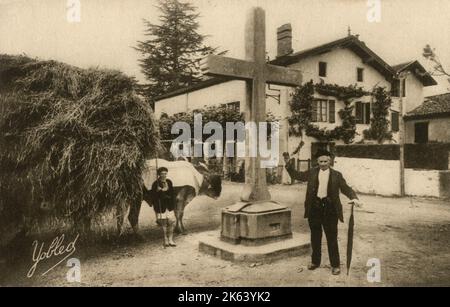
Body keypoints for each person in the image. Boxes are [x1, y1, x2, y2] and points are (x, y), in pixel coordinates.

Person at [284, 146, 362, 275]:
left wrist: (354, 197)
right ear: (317, 162)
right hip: (314, 208)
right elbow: (297, 175)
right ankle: (315, 262)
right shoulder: (312, 172)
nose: (323, 164)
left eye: (326, 161)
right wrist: (288, 164)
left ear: (330, 161)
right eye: (321, 162)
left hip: (330, 209)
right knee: (315, 236)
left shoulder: (337, 175)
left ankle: (335, 265)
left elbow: (346, 188)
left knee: (331, 237)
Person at [151, 167, 176, 247]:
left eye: (165, 173)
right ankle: (165, 239)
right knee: (164, 224)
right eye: (162, 174)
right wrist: (157, 192)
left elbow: (172, 194)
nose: (164, 175)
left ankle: (171, 239)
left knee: (172, 222)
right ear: (159, 174)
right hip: (161, 206)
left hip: (169, 206)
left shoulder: (169, 182)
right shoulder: (155, 184)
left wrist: (164, 191)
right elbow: (154, 197)